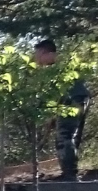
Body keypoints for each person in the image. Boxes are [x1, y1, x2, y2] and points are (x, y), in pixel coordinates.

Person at [34, 38, 89, 181]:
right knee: (67, 136)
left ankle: (70, 175)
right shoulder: (62, 64)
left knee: (65, 136)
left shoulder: (58, 67)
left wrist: (52, 113)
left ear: (45, 52)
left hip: (72, 101)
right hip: (75, 99)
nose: (36, 60)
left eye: (37, 55)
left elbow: (58, 92)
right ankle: (69, 172)